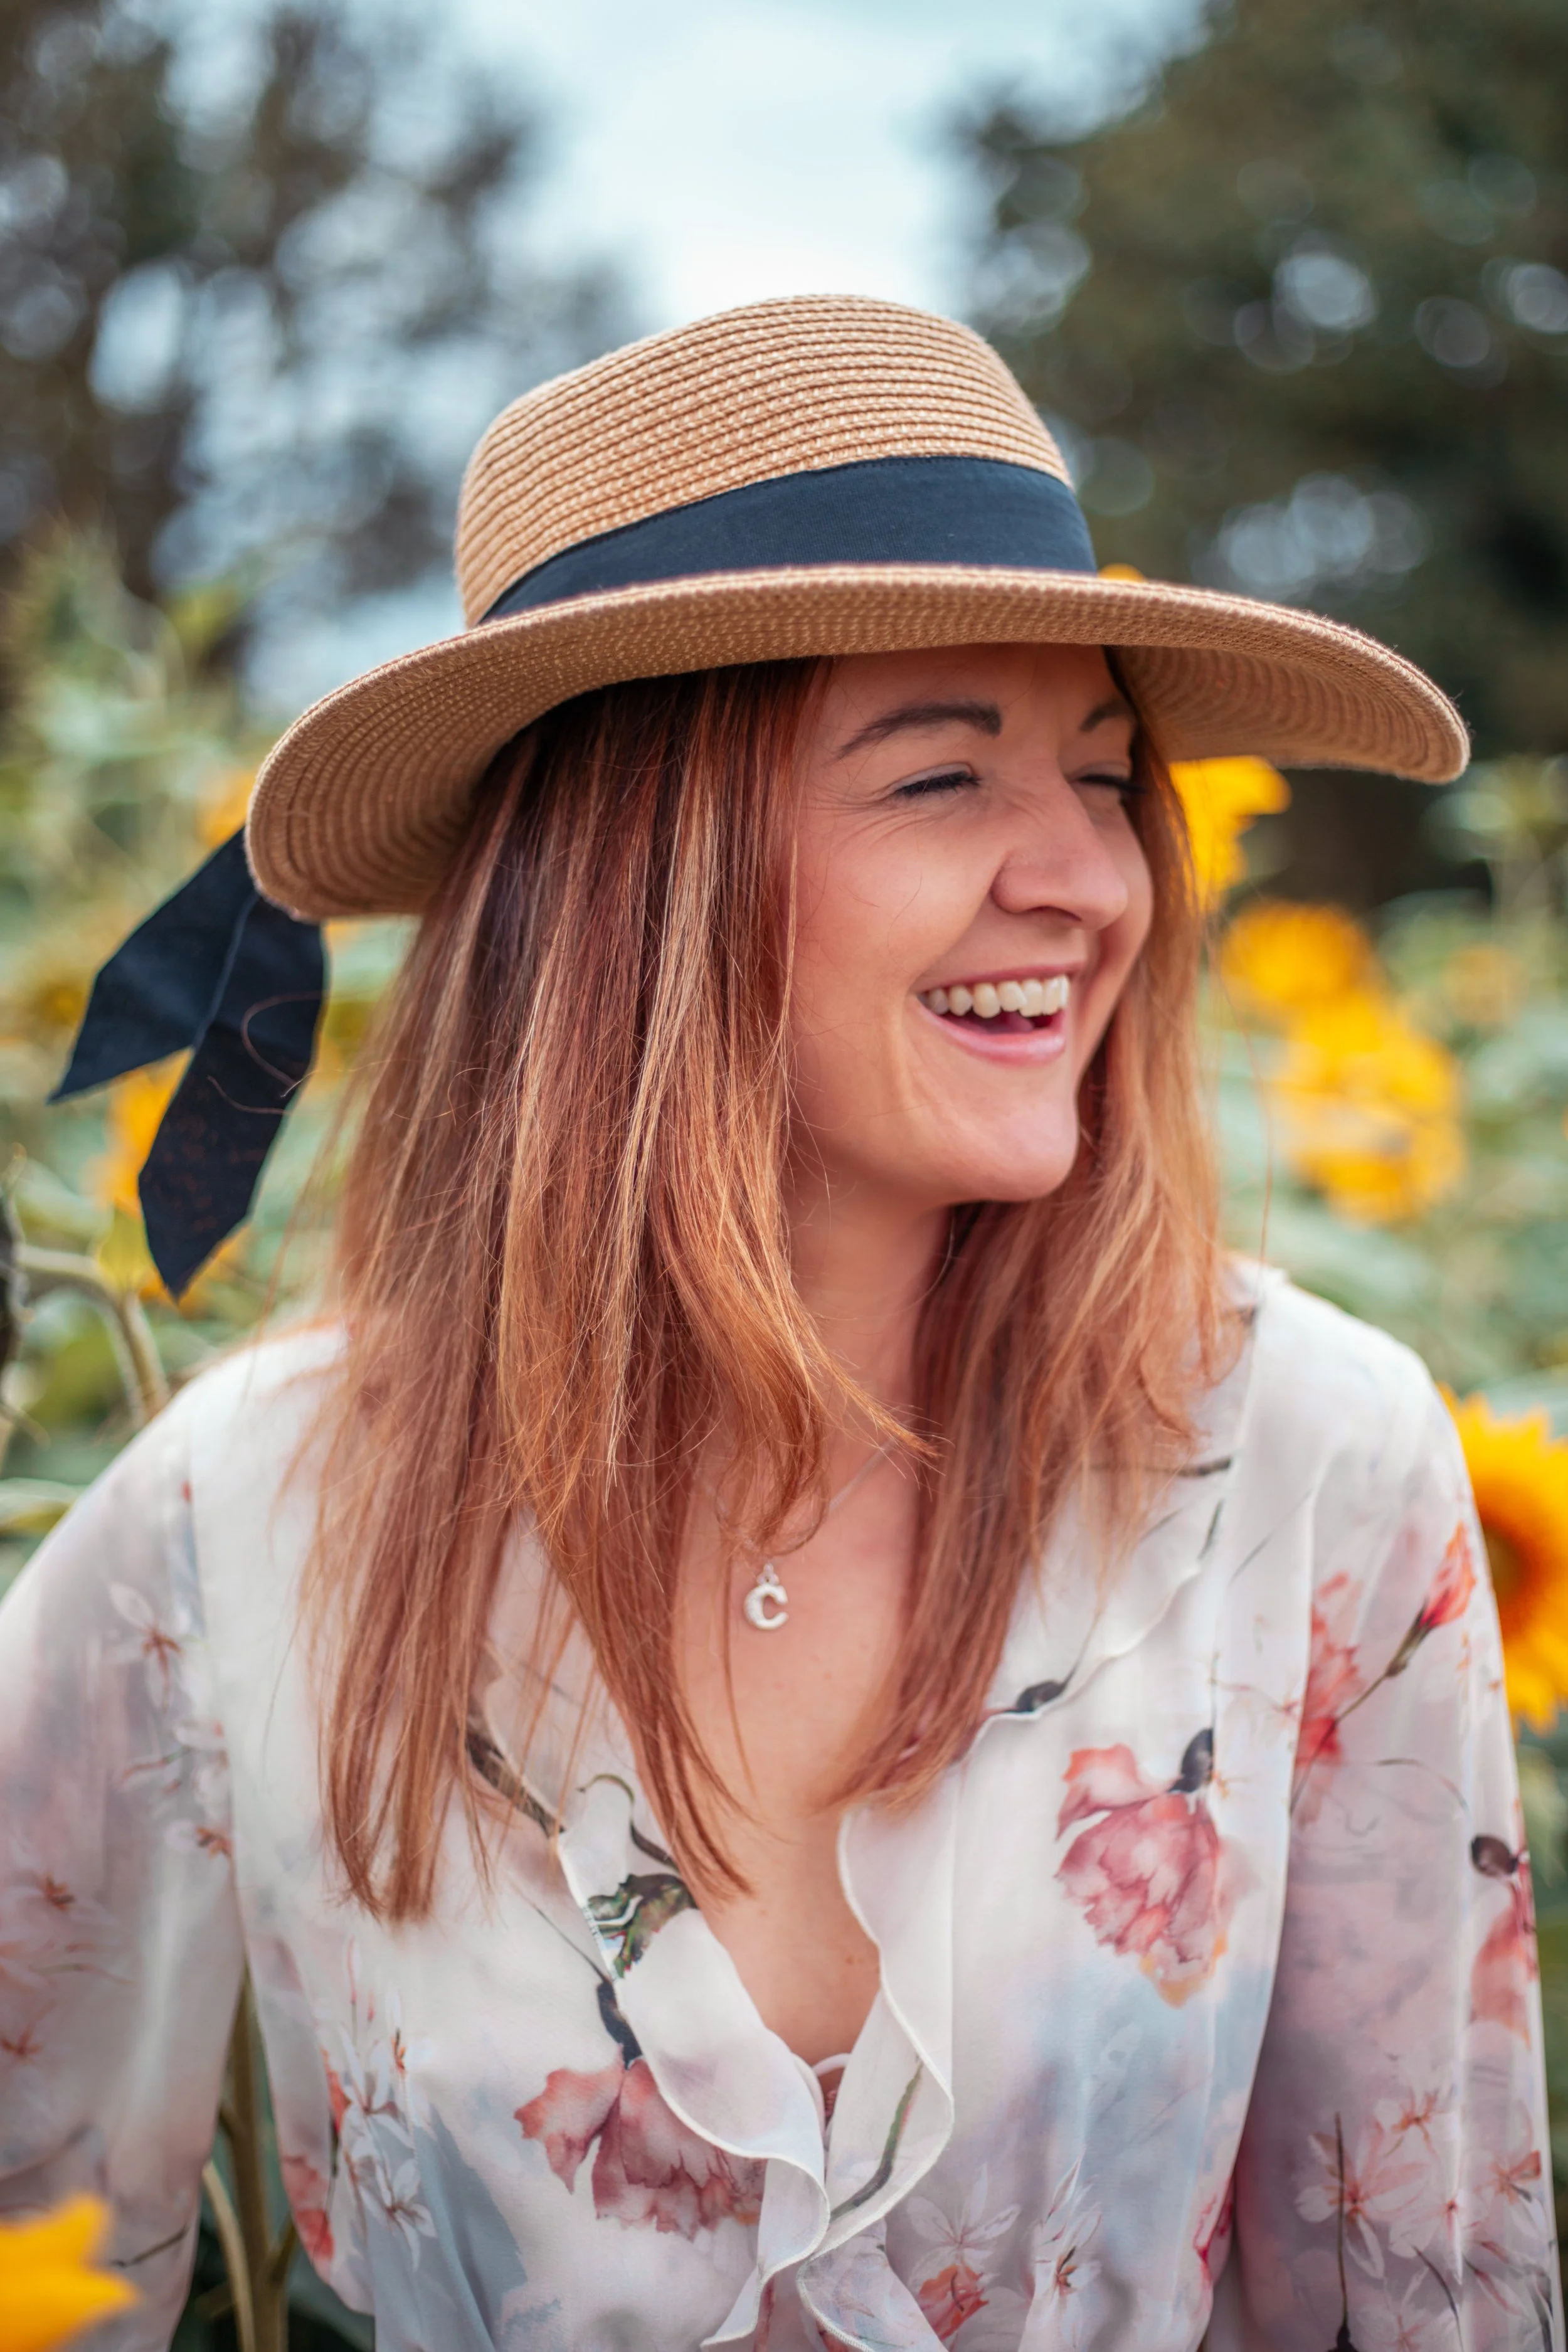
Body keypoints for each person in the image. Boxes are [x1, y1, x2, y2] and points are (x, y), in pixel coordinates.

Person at [0, 295, 1557, 2352]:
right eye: (941, 778)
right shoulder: (247, 1519)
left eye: (1105, 776)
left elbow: (1423, 2288)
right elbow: (44, 2251)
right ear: (630, 871)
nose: (1086, 876)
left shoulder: (1305, 1462)